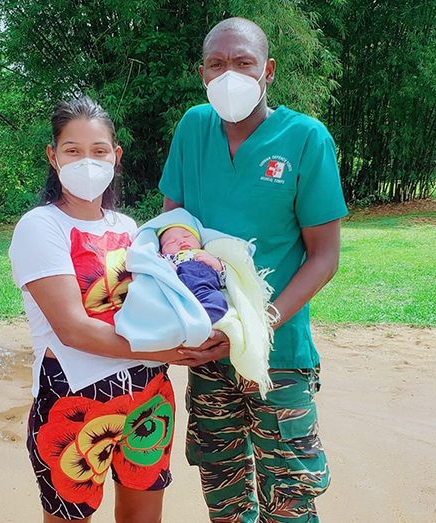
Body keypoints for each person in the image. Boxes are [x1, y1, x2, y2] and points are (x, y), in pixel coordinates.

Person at [158, 17, 349, 523]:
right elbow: (172, 228)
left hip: (278, 354)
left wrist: (260, 322)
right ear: (202, 72)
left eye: (242, 63)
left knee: (289, 497)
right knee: (223, 493)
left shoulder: (306, 138)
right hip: (208, 345)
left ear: (268, 69)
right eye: (216, 64)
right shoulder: (193, 128)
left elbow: (324, 255)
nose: (229, 74)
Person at [8, 95, 227, 523]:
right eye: (72, 150)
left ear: (116, 156)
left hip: (148, 398)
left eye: (98, 150)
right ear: (53, 156)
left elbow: (163, 300)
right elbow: (73, 329)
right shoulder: (41, 227)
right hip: (73, 401)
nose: (85, 161)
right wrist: (159, 352)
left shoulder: (130, 229)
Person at [158, 223, 228, 324]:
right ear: (162, 251)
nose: (181, 241)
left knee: (218, 300)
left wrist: (215, 263)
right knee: (162, 303)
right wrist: (166, 266)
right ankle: (180, 321)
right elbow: (153, 262)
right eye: (171, 242)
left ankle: (198, 323)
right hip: (179, 291)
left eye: (187, 236)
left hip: (205, 290)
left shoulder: (206, 253)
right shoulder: (169, 258)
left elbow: (223, 279)